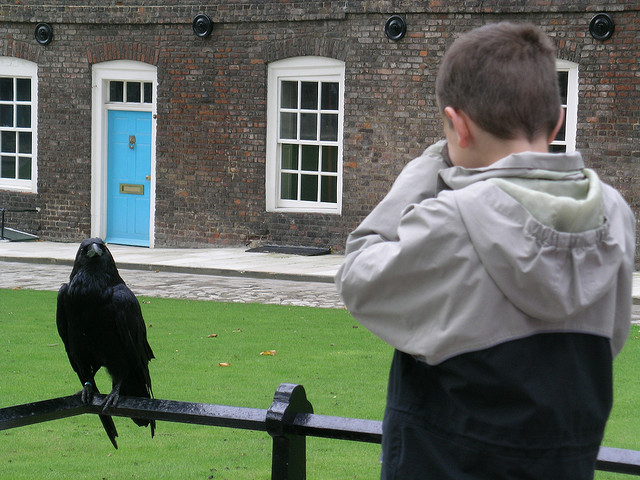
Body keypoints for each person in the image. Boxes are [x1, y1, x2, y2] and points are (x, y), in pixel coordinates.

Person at [335, 22, 635, 479]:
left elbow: (359, 274)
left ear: (458, 125)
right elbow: (608, 342)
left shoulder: (450, 219)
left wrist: (429, 164)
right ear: (555, 123)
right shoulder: (612, 213)